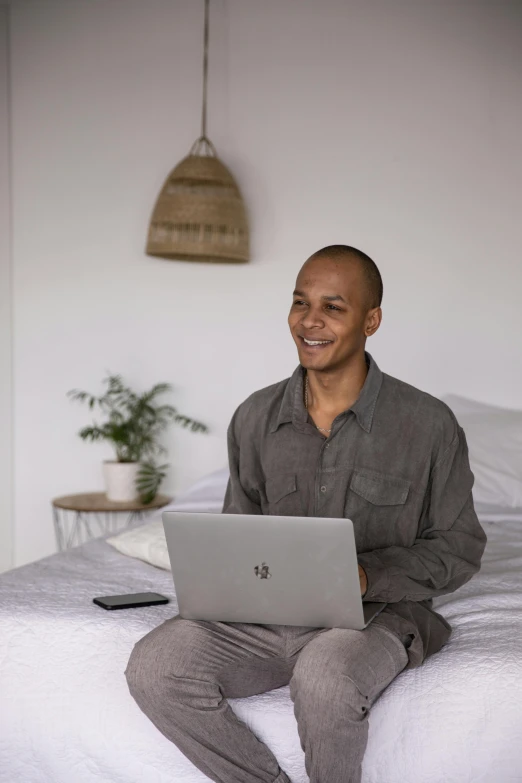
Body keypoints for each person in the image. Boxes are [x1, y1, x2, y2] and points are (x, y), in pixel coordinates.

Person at [125, 245, 487, 783]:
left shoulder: (428, 425)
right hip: (265, 619)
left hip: (374, 617)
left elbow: (458, 548)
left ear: (371, 320)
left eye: (332, 308)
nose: (309, 321)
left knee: (324, 677)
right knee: (155, 666)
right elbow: (238, 535)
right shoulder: (253, 417)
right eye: (300, 303)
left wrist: (366, 575)